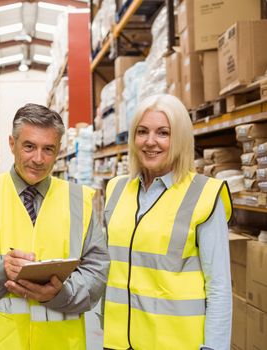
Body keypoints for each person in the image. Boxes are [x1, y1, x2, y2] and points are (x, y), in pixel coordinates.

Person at [0, 103, 110, 349]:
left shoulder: (80, 200)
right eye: (29, 146)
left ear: (58, 150)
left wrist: (59, 294)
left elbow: (96, 271)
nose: (38, 159)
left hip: (60, 344)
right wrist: (1, 270)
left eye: (48, 149)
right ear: (12, 144)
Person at [103, 94, 232, 350]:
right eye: (142, 132)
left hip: (175, 343)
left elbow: (218, 287)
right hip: (118, 342)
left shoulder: (205, 195)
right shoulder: (116, 189)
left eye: (163, 133)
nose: (150, 142)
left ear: (180, 139)